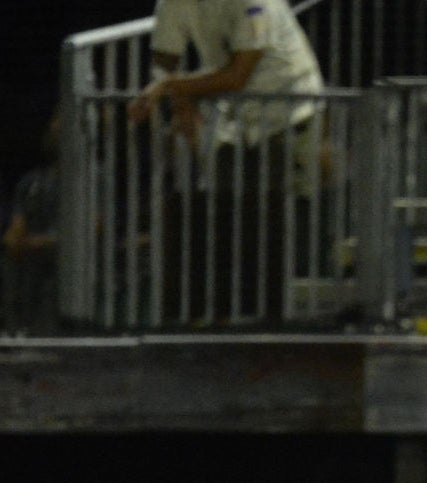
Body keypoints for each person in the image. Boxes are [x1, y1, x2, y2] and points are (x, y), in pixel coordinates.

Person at [128, 0, 326, 324]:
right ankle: (227, 314)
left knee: (280, 212)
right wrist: (178, 99)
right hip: (237, 119)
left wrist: (172, 88)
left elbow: (238, 74)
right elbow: (165, 58)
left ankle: (281, 318)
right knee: (223, 208)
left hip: (287, 109)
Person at [2, 113, 57, 336]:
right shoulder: (32, 181)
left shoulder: (95, 177)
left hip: (72, 255)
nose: (57, 126)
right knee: (8, 257)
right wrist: (14, 239)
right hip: (33, 254)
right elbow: (16, 227)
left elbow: (96, 228)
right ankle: (12, 330)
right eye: (54, 121)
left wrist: (41, 242)